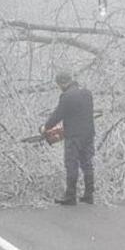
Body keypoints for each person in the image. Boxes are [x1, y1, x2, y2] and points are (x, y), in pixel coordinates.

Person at [41, 71, 94, 205]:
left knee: (71, 164)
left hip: (74, 135)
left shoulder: (67, 96)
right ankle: (89, 195)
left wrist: (45, 127)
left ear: (61, 83)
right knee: (87, 163)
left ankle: (70, 196)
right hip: (88, 134)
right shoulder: (87, 93)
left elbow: (58, 115)